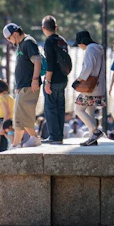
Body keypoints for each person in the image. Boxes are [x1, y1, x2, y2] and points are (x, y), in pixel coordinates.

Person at [2, 23, 42, 149]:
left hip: (29, 85)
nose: (9, 41)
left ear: (14, 34)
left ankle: (34, 137)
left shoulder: (28, 42)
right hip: (22, 86)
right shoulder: (20, 44)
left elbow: (37, 60)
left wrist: (35, 79)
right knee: (18, 118)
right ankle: (15, 144)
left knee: (25, 114)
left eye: (9, 39)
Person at [72, 30, 107, 147]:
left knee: (78, 109)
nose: (79, 46)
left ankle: (95, 132)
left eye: (79, 44)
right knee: (90, 111)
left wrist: (78, 80)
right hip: (99, 86)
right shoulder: (99, 48)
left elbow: (88, 67)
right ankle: (92, 138)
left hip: (90, 88)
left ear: (82, 42)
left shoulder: (90, 49)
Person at [41, 15, 70, 144]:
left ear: (43, 29)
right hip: (63, 79)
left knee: (50, 108)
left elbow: (50, 63)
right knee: (60, 107)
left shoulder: (49, 42)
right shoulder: (62, 41)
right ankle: (60, 136)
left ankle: (54, 136)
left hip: (53, 80)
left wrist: (47, 82)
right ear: (56, 27)